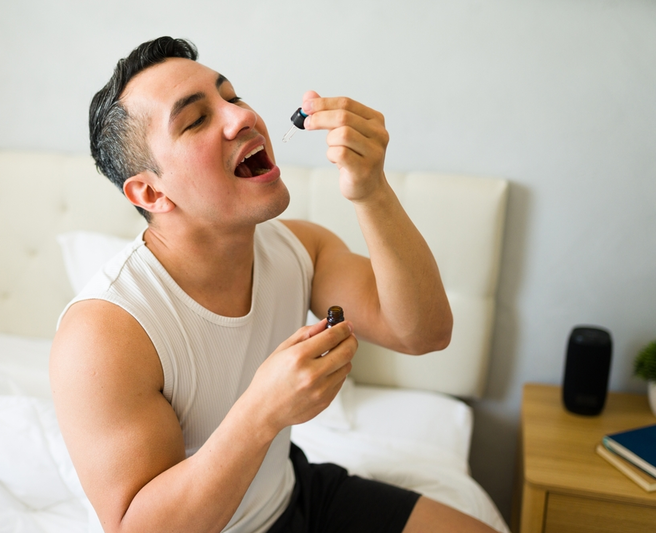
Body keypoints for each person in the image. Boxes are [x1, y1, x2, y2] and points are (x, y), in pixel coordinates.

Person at [50, 36, 496, 533]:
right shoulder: (104, 332)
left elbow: (425, 332)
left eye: (233, 97)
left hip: (295, 493)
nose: (242, 117)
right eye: (196, 119)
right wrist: (261, 413)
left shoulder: (298, 249)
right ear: (151, 191)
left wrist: (371, 190)